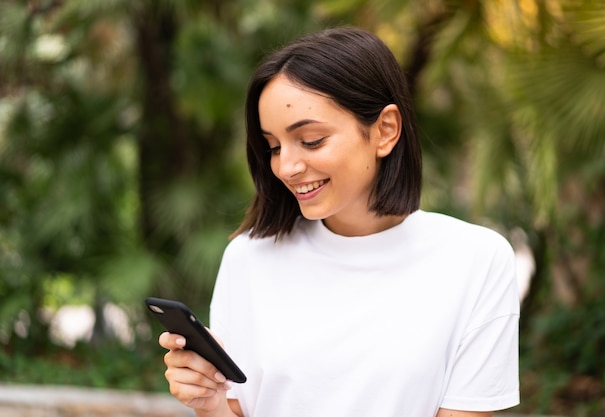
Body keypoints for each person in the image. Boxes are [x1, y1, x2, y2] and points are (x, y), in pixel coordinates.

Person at [158, 26, 520, 417]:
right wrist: (210, 405)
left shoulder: (476, 260)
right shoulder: (248, 259)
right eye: (273, 147)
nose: (287, 167)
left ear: (385, 130)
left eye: (311, 140)